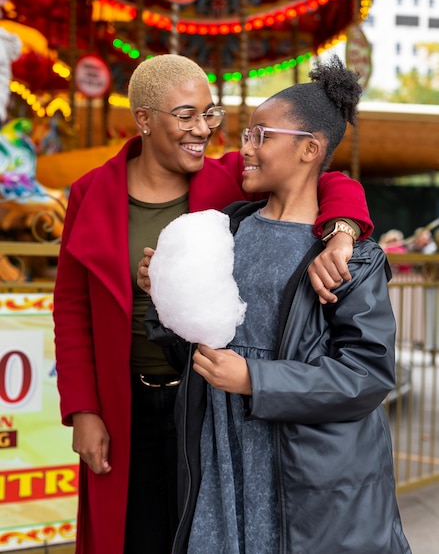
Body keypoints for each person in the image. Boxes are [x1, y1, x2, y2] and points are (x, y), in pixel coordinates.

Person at [53, 53, 373, 554]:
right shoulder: (90, 192)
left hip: (207, 404)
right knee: (132, 533)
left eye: (210, 112)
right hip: (123, 402)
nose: (202, 128)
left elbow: (325, 176)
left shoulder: (229, 179)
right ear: (144, 119)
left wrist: (344, 229)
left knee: (199, 532)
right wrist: (83, 411)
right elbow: (71, 309)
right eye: (186, 115)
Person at [144, 55, 411, 554]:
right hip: (220, 460)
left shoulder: (349, 256)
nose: (245, 148)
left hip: (307, 477)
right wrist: (163, 296)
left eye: (260, 136)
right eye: (246, 134)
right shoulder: (224, 231)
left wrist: (254, 379)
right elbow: (194, 350)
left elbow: (368, 376)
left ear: (310, 148)